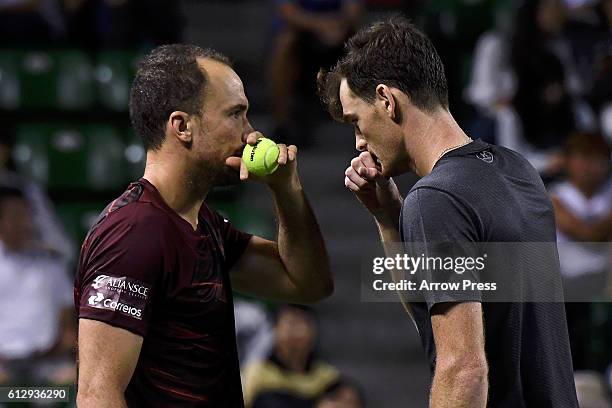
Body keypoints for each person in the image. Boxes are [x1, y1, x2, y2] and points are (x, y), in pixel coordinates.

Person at [318, 16, 578, 407]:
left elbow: (463, 370)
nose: (358, 142)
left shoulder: (437, 198)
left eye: (356, 121)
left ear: (388, 101)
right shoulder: (518, 169)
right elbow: (432, 310)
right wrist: (388, 216)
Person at [75, 44, 333, 407]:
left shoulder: (203, 224)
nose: (252, 133)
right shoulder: (135, 234)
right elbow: (96, 395)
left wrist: (287, 191)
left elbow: (308, 283)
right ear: (182, 126)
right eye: (235, 115)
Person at [0, 186, 76, 387]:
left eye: (27, 215)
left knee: (75, 379)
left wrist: (55, 349)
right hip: (3, 364)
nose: (24, 223)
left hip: (49, 362)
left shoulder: (52, 264)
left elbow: (68, 330)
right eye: (15, 216)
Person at [243, 305, 340, 408]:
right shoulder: (256, 373)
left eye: (304, 323)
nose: (299, 332)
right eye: (291, 323)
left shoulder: (327, 377)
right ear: (275, 329)